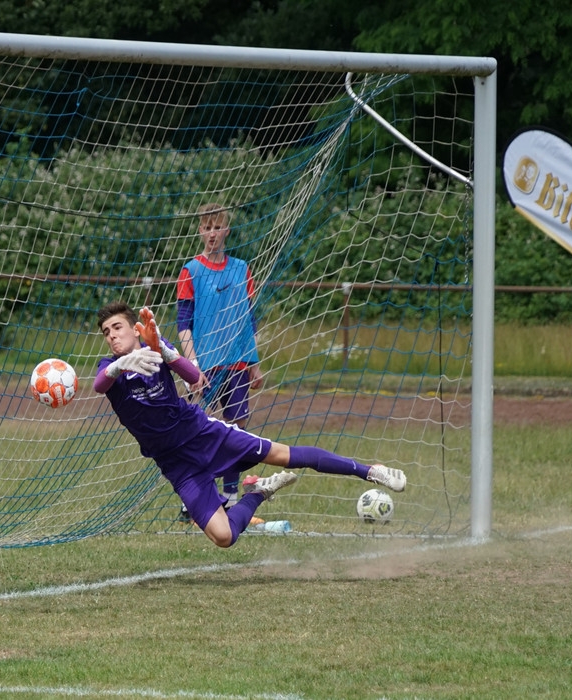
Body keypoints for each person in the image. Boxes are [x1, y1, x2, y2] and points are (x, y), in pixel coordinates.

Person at [93, 301, 406, 549]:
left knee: (284, 455)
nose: (112, 335)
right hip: (176, 464)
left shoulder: (155, 350)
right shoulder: (109, 368)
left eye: (117, 327)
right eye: (106, 332)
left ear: (135, 329)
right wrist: (120, 366)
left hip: (203, 434)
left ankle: (370, 471)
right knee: (223, 537)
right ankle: (258, 492)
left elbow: (194, 378)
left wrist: (164, 350)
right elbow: (99, 385)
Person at [176, 203, 262, 511]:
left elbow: (250, 321)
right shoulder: (191, 271)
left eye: (217, 227)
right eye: (207, 227)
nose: (212, 233)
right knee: (202, 431)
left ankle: (231, 499)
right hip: (206, 367)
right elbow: (183, 324)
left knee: (236, 430)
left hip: (237, 363)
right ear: (200, 231)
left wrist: (254, 364)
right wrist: (192, 365)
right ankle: (196, 498)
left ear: (227, 230)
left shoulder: (241, 269)